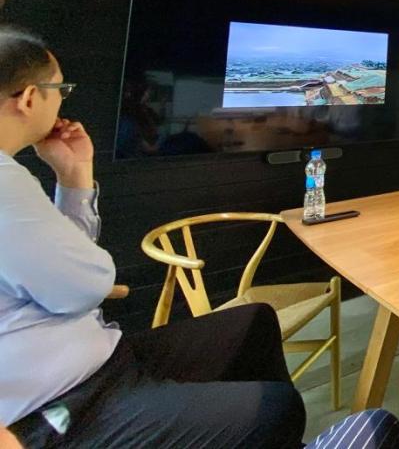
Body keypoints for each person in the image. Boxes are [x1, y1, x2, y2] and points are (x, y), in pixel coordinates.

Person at [0, 27, 305, 446]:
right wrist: (91, 276)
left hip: (103, 358)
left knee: (255, 321)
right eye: (61, 90)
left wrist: (75, 175)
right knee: (277, 407)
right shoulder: (5, 184)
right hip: (63, 407)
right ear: (30, 98)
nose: (63, 101)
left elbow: (73, 278)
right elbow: (88, 284)